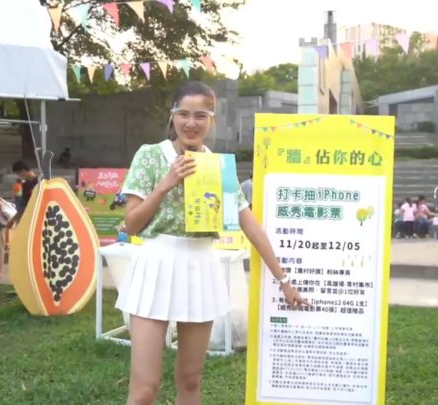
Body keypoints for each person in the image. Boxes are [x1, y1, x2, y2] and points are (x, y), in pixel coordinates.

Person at [118, 81, 307, 405]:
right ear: (172, 116)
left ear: (211, 119)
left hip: (200, 267)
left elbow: (251, 226)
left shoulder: (219, 168)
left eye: (201, 115)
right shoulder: (151, 155)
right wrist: (166, 184)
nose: (191, 123)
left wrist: (284, 280)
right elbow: (132, 224)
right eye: (184, 114)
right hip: (156, 263)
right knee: (145, 389)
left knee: (190, 380)